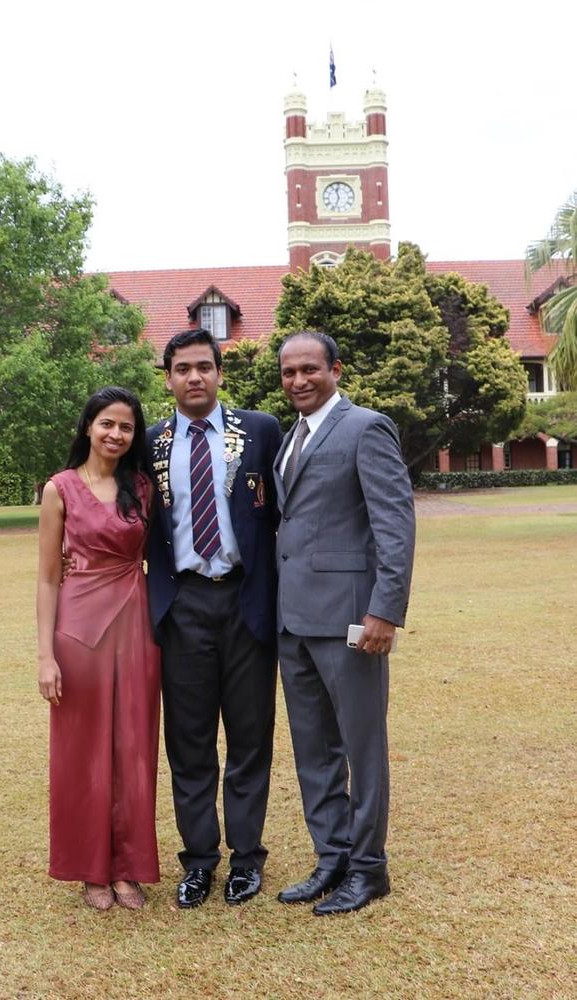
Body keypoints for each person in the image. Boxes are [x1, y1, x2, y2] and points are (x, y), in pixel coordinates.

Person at [273, 332, 415, 916]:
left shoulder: (366, 427)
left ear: (335, 369)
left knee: (362, 746)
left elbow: (395, 525)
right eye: (289, 373)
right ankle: (330, 858)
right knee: (313, 750)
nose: (299, 381)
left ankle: (369, 868)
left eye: (310, 369)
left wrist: (385, 610)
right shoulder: (290, 438)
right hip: (293, 622)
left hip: (352, 620)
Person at [145, 328, 282, 908]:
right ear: (169, 377)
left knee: (250, 738)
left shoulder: (260, 430)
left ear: (220, 373)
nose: (193, 377)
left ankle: (246, 860)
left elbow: (284, 509)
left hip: (247, 600)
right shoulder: (148, 443)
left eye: (204, 366)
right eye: (182, 368)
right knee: (189, 741)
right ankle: (200, 860)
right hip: (182, 606)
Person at [37, 386, 160, 911]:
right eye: (106, 423)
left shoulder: (143, 487)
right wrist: (45, 656)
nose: (115, 434)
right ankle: (91, 869)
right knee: (82, 750)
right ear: (88, 426)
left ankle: (129, 866)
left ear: (134, 436)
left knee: (134, 746)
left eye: (126, 427)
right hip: (78, 628)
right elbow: (46, 578)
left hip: (136, 622)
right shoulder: (59, 488)